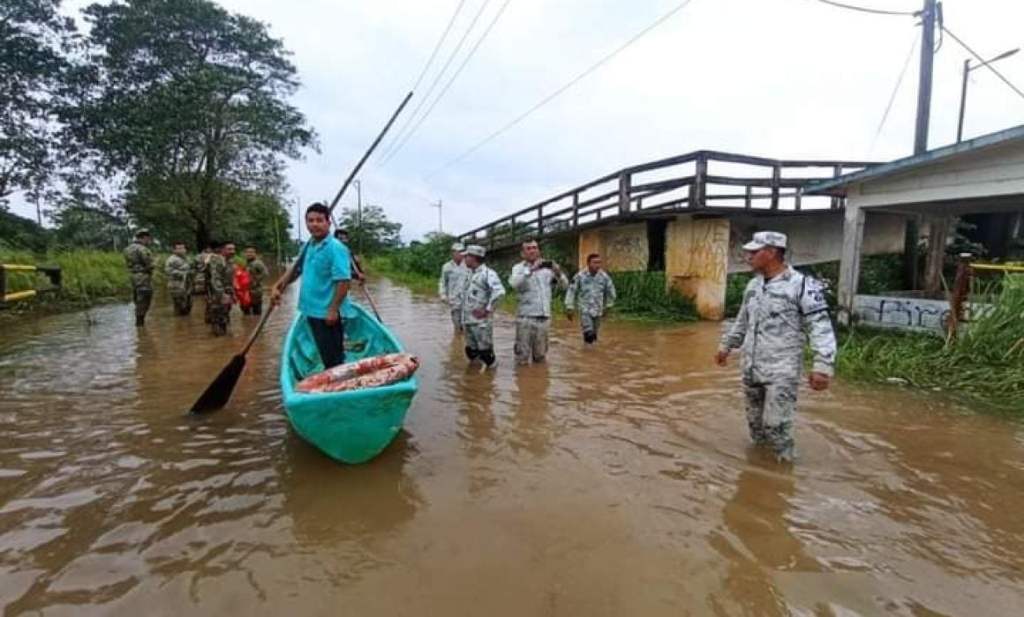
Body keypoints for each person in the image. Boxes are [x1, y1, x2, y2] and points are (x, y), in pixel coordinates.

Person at [715, 231, 836, 463]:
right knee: (756, 427)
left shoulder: (802, 286)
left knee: (776, 426)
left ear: (771, 253)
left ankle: (783, 472)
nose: (748, 256)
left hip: (782, 370)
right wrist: (726, 346)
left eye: (754, 252)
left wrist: (822, 366)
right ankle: (759, 472)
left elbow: (820, 326)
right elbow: (742, 320)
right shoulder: (753, 285)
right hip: (751, 368)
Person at [271, 203, 352, 369]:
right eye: (310, 220)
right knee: (325, 352)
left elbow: (344, 281)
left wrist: (332, 309)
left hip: (326, 313)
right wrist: (277, 287)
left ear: (328, 223)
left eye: (319, 220)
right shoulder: (308, 245)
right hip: (311, 309)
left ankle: (337, 388)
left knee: (333, 358)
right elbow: (295, 270)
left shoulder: (336, 248)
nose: (314, 224)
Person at [508, 240, 568, 365]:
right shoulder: (518, 268)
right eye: (528, 248)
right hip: (525, 318)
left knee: (540, 357)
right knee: (522, 357)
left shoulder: (548, 269)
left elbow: (565, 286)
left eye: (535, 248)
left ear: (539, 250)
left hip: (544, 318)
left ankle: (538, 382)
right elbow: (514, 283)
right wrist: (531, 270)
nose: (532, 250)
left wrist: (558, 272)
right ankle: (523, 382)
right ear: (522, 253)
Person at [461, 245, 505, 369]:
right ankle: (475, 381)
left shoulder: (488, 274)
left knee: (486, 354)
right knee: (471, 352)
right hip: (468, 321)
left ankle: (490, 380)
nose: (464, 259)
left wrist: (487, 310)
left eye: (467, 256)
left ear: (474, 257)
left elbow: (499, 292)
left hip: (481, 323)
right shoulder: (470, 274)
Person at [565, 253, 617, 344]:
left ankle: (591, 352)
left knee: (594, 335)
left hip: (598, 309)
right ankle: (587, 353)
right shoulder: (580, 276)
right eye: (595, 262)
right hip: (585, 310)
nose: (598, 265)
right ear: (588, 263)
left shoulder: (604, 277)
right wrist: (569, 307)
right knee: (589, 334)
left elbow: (611, 291)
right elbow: (571, 290)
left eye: (599, 263)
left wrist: (609, 306)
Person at [123, 229, 154, 327]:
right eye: (148, 239)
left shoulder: (127, 249)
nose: (149, 241)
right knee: (145, 299)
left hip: (133, 276)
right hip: (143, 276)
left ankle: (139, 325)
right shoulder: (143, 249)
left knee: (137, 298)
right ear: (144, 238)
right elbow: (149, 263)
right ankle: (140, 324)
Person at [438, 242, 471, 333]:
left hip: (468, 300)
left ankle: (465, 344)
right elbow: (442, 282)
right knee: (457, 325)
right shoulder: (446, 267)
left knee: (468, 325)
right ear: (453, 253)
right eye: (459, 252)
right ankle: (458, 341)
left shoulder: (469, 265)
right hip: (454, 300)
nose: (461, 254)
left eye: (462, 251)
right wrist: (443, 295)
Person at [206, 241, 236, 336]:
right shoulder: (217, 260)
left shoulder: (230, 261)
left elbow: (230, 280)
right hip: (217, 295)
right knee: (217, 318)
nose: (232, 251)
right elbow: (215, 279)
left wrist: (233, 294)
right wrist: (221, 294)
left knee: (225, 317)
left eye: (233, 249)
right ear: (222, 250)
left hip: (227, 293)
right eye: (229, 249)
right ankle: (218, 341)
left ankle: (224, 344)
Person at [164, 241, 193, 316]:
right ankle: (179, 325)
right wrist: (183, 273)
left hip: (186, 285)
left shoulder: (186, 258)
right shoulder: (171, 259)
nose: (182, 250)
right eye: (179, 248)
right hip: (176, 285)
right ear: (174, 250)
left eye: (183, 248)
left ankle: (185, 325)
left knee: (188, 305)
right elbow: (168, 271)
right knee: (180, 307)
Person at [244, 247, 269, 315]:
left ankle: (255, 323)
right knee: (246, 311)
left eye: (251, 252)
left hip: (256, 291)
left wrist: (256, 281)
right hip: (246, 291)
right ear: (245, 254)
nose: (249, 254)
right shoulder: (246, 263)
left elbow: (265, 273)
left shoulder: (258, 263)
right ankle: (249, 324)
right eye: (247, 252)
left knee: (257, 312)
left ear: (255, 254)